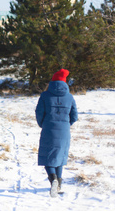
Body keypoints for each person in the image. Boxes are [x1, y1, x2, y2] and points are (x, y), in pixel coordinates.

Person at [35, 68, 78, 197]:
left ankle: (53, 179)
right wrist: (65, 124)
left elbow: (39, 113)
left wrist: (43, 124)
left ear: (52, 82)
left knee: (48, 157)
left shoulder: (45, 95)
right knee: (60, 157)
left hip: (48, 129)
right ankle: (58, 185)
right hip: (64, 131)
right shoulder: (69, 97)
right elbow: (74, 116)